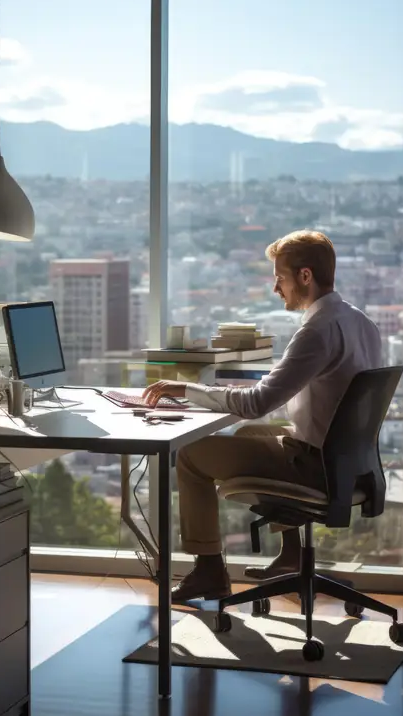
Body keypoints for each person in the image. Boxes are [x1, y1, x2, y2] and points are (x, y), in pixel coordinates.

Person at [142, 229, 383, 604]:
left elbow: (257, 401)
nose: (276, 289)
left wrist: (186, 389)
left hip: (314, 465)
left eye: (280, 278)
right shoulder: (360, 322)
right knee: (253, 433)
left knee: (191, 455)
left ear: (305, 276)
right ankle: (290, 555)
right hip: (351, 462)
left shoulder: (317, 331)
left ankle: (209, 571)